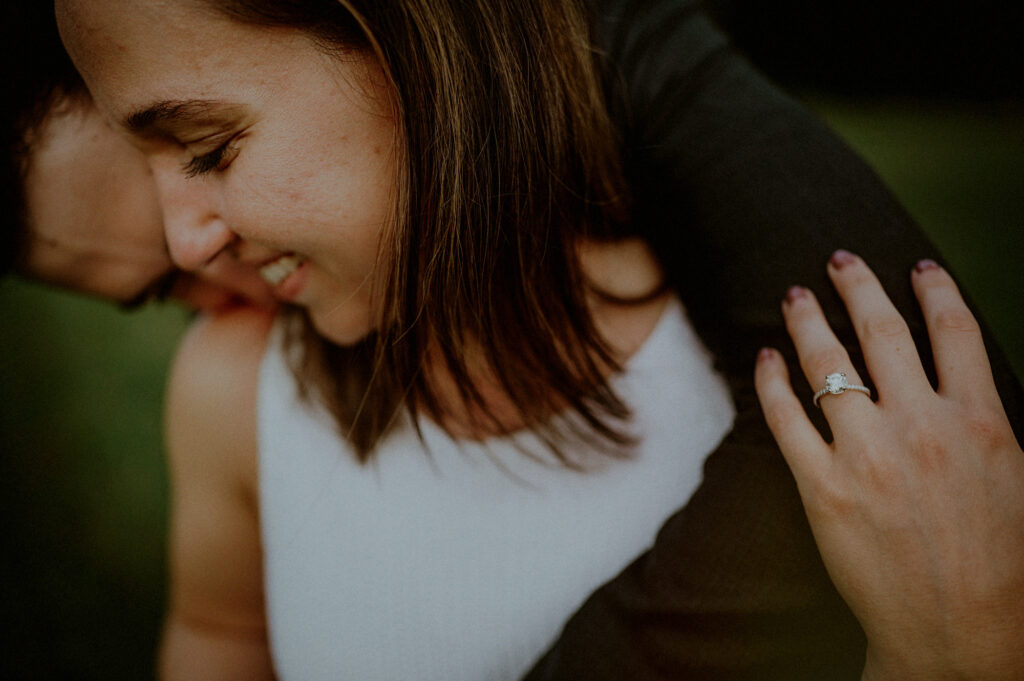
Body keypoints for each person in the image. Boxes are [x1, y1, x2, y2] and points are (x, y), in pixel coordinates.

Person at [10, 0, 1016, 679]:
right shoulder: (232, 390)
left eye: (204, 150)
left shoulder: (740, 343)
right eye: (164, 291)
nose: (204, 256)